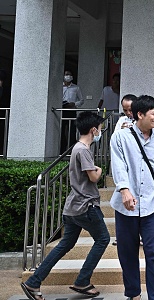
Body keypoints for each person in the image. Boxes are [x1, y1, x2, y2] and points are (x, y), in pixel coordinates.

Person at [21, 112, 109, 300]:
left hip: (72, 207)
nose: (101, 132)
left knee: (65, 245)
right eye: (100, 129)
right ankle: (82, 280)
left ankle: (33, 282)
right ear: (93, 130)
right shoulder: (83, 150)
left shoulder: (77, 148)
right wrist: (99, 169)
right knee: (103, 239)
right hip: (86, 206)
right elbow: (93, 176)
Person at [110, 95, 154, 300]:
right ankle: (133, 293)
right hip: (126, 206)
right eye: (153, 113)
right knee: (127, 253)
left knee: (153, 254)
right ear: (140, 115)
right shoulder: (120, 137)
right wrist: (124, 190)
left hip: (151, 204)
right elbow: (118, 166)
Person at [61, 70, 84, 151]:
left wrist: (74, 104)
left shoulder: (76, 88)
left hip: (72, 111)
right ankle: (62, 150)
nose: (68, 76)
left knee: (72, 131)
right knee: (62, 130)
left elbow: (81, 100)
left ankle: (71, 149)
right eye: (66, 74)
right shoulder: (60, 87)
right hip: (61, 110)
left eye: (70, 75)